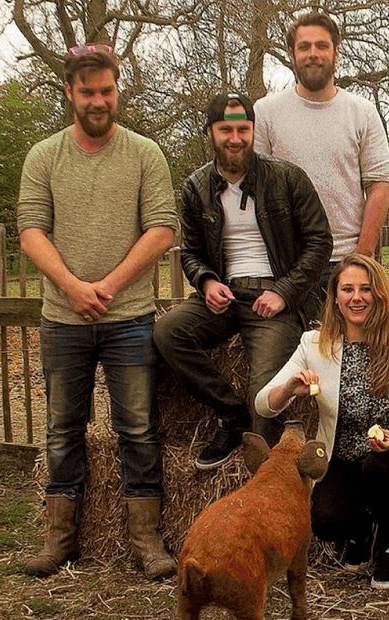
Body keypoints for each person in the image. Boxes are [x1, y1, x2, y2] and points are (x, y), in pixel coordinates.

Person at [17, 44, 178, 580]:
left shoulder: (144, 154)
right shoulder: (44, 156)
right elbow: (31, 231)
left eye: (106, 90)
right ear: (69, 92)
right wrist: (71, 286)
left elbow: (161, 230)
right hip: (62, 320)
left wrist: (106, 286)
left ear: (118, 89)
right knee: (64, 428)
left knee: (137, 427)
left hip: (129, 317)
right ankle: (59, 539)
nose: (98, 100)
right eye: (87, 91)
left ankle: (146, 541)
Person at [153, 93, 332, 470]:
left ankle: (259, 447)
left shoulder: (287, 178)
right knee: (167, 333)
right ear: (210, 133)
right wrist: (205, 282)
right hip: (224, 294)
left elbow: (319, 243)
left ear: (253, 131)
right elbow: (190, 252)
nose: (235, 138)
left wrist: (283, 292)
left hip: (275, 298)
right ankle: (230, 413)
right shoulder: (195, 188)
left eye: (242, 129)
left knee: (264, 395)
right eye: (225, 130)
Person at [255, 254, 389, 589]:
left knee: (381, 469)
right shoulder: (313, 344)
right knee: (327, 521)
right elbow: (263, 405)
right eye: (347, 289)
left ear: (379, 295)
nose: (356, 297)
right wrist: (288, 388)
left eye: (366, 289)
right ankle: (361, 528)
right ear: (335, 296)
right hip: (342, 454)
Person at [253, 11, 389, 279]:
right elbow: (255, 188)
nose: (313, 53)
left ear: (336, 52)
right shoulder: (266, 112)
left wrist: (361, 257)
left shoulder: (362, 112)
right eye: (304, 47)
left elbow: (379, 184)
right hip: (286, 264)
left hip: (345, 262)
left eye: (322, 45)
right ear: (293, 54)